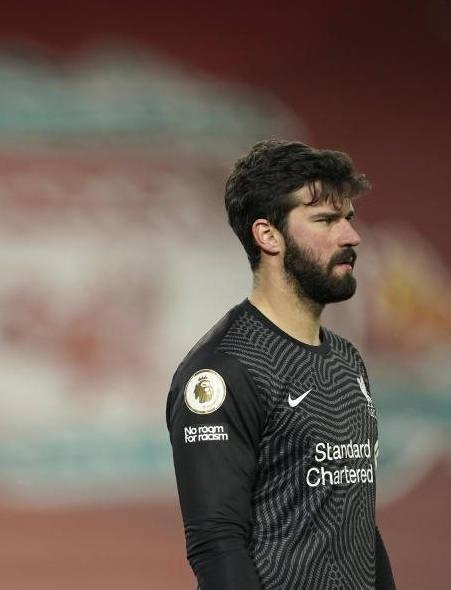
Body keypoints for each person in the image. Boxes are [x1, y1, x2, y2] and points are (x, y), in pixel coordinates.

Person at [166, 140, 396, 589]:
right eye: (326, 220)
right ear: (268, 235)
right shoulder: (222, 370)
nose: (351, 236)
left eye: (347, 218)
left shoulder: (347, 360)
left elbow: (360, 528)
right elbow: (216, 544)